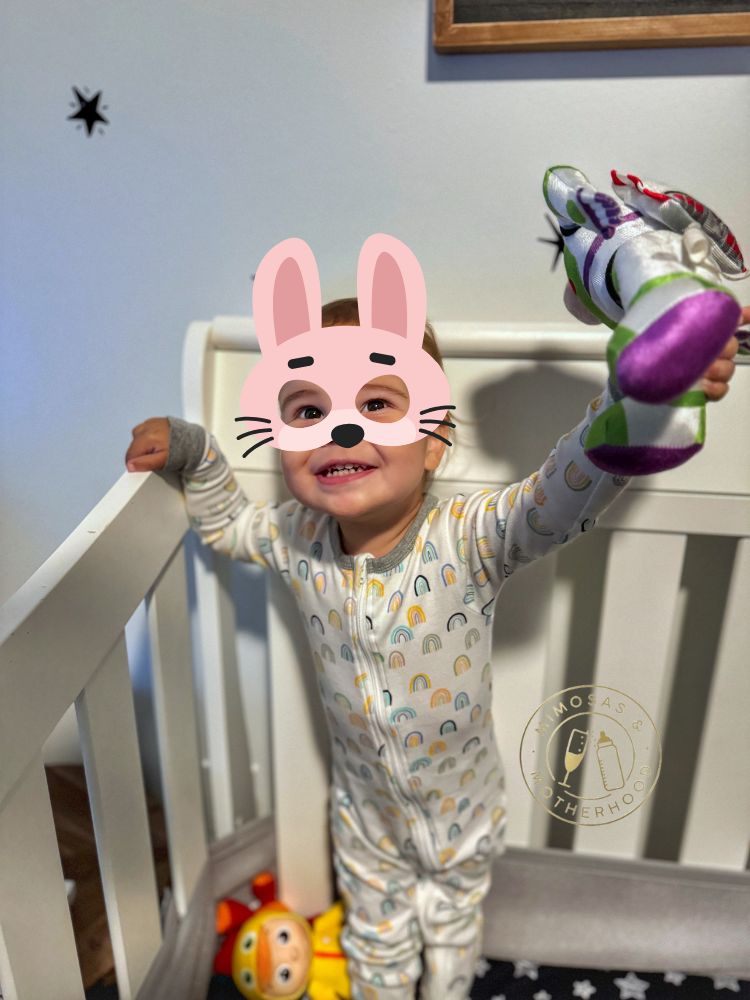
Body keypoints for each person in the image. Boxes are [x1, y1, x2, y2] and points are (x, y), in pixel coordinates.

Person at [125, 298, 743, 1000]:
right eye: (306, 410)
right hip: (364, 816)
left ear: (434, 440)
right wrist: (194, 450)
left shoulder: (472, 536)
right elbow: (227, 525)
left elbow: (562, 490)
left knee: (452, 937)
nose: (341, 427)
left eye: (377, 401)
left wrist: (641, 400)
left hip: (463, 810)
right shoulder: (296, 538)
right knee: (373, 941)